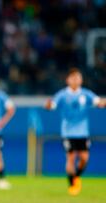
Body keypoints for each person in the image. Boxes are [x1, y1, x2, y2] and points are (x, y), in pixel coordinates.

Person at [45, 68, 104, 196]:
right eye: (73, 77)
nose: (76, 80)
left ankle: (76, 176)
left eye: (78, 77)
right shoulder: (62, 95)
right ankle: (72, 184)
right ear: (68, 80)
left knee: (84, 158)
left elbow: (99, 102)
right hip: (68, 132)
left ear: (81, 80)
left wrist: (103, 103)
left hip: (83, 132)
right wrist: (48, 105)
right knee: (71, 158)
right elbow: (52, 105)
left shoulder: (86, 94)